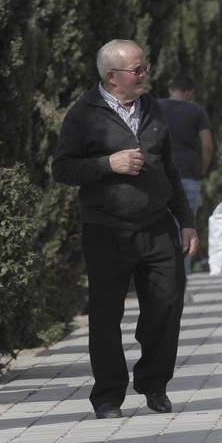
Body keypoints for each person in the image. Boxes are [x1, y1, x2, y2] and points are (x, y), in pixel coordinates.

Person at [52, 39, 198, 419]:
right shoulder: (83, 114)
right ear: (112, 77)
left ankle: (154, 384)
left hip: (157, 226)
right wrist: (108, 164)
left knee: (167, 306)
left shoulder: (151, 108)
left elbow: (170, 170)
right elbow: (62, 169)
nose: (144, 74)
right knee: (105, 315)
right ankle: (107, 396)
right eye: (137, 69)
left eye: (144, 66)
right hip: (106, 229)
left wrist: (187, 222)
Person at [157, 75, 213, 276]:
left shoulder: (156, 106)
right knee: (186, 229)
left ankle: (161, 277)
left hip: (160, 174)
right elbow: (207, 145)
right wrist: (203, 169)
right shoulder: (196, 110)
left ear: (171, 89)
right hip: (188, 173)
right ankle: (182, 281)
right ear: (189, 92)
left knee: (160, 228)